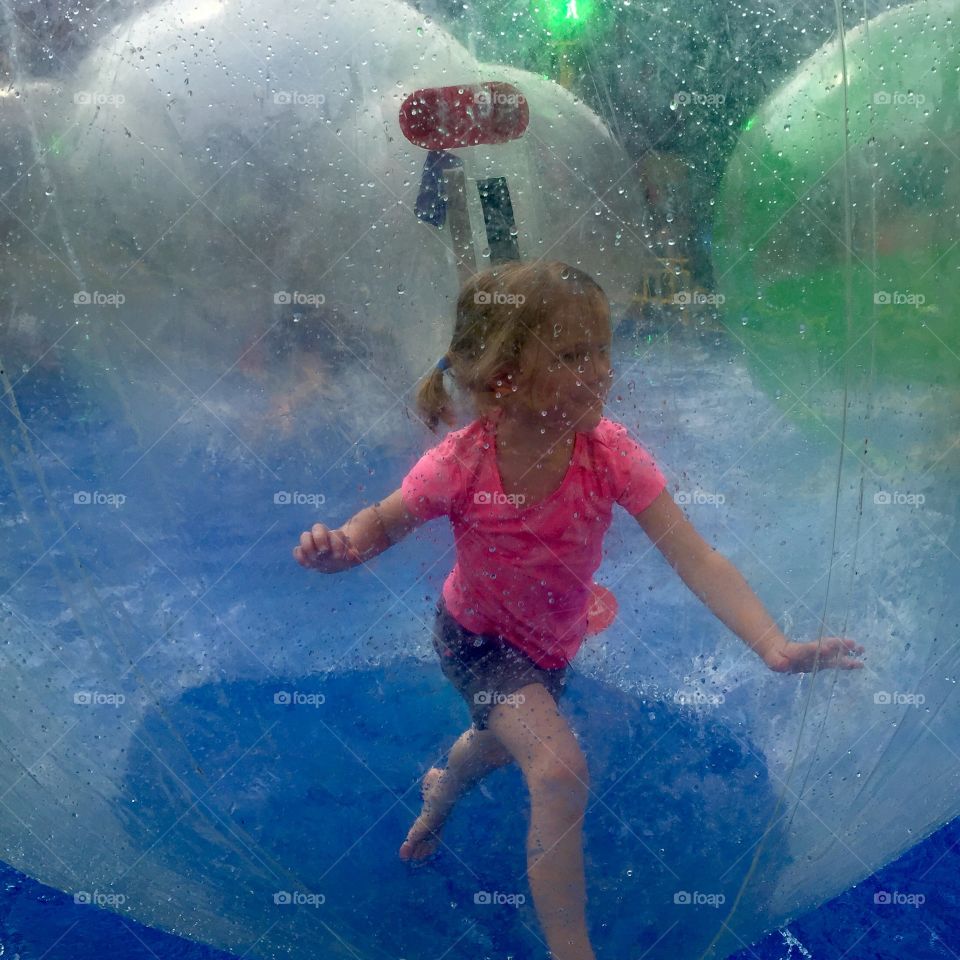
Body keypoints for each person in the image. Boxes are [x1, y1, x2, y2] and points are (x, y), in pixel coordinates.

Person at [292, 260, 865, 960]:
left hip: (549, 650)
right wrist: (338, 549)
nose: (600, 370)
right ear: (505, 375)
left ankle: (442, 788)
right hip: (474, 640)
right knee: (559, 769)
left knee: (500, 743)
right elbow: (379, 525)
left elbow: (695, 556)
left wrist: (771, 644)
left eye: (603, 350)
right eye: (571, 355)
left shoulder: (609, 455)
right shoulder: (463, 464)